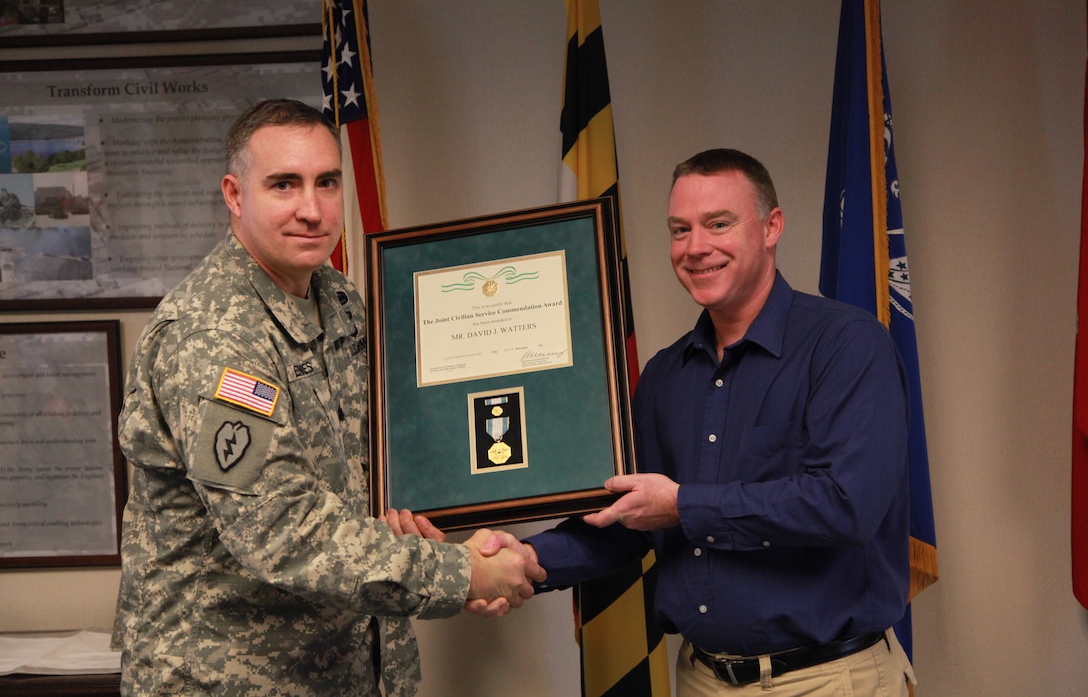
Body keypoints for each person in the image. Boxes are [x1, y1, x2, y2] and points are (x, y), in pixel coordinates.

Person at [111, 99, 545, 696]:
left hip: (346, 668)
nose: (311, 210)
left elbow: (368, 478)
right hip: (230, 679)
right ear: (235, 195)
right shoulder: (213, 337)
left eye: (327, 182)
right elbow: (282, 529)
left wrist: (429, 523)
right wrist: (461, 574)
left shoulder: (338, 300)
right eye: (284, 184)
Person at [519, 149, 917, 695]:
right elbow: (629, 519)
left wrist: (683, 505)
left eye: (718, 224)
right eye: (679, 230)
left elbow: (844, 505)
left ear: (772, 226)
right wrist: (524, 559)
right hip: (702, 677)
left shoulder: (846, 345)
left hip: (826, 681)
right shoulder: (664, 375)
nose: (695, 248)